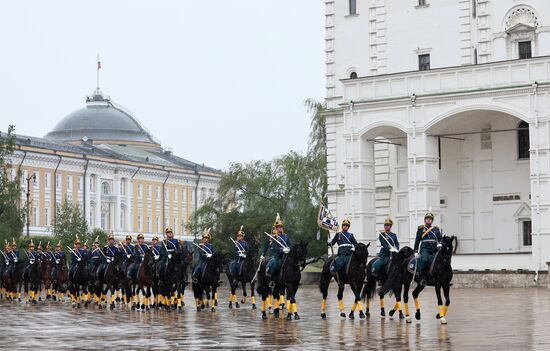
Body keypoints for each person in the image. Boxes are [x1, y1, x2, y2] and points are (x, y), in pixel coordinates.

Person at [414, 211, 442, 284]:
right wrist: (415, 251)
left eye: (430, 219)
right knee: (424, 260)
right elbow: (417, 241)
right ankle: (422, 277)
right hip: (425, 248)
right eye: (427, 218)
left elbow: (440, 239)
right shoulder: (421, 229)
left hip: (434, 248)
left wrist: (440, 244)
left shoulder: (436, 229)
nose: (428, 220)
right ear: (424, 220)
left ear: (432, 220)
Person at [261, 214, 291, 279]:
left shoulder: (286, 236)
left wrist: (289, 249)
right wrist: (263, 254)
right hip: (276, 254)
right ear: (276, 228)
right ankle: (271, 277)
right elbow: (274, 247)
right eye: (278, 227)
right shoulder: (273, 237)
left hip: (285, 255)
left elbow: (290, 245)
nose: (280, 228)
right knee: (275, 263)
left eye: (281, 227)